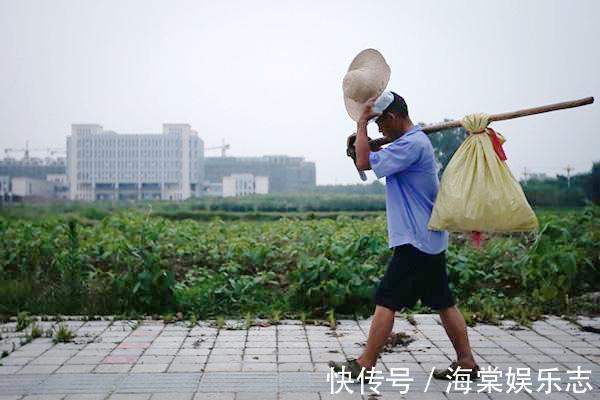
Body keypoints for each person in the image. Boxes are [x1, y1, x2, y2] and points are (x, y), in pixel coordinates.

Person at [329, 91, 480, 381]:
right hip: (428, 238)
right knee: (443, 301)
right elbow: (368, 156)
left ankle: (365, 365)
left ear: (394, 117)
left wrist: (360, 127)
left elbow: (364, 163)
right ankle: (466, 362)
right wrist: (364, 145)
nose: (379, 129)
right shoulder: (409, 143)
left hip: (416, 240)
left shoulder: (411, 144)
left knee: (387, 298)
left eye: (380, 123)